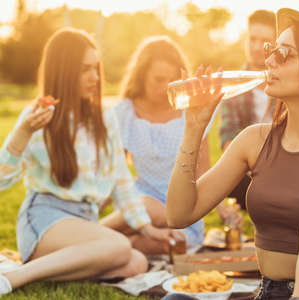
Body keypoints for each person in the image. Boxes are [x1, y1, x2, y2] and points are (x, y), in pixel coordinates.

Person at [164, 8, 299, 300]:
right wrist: (194, 129)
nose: (269, 60)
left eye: (284, 53)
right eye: (271, 50)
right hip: (269, 292)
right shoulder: (253, 140)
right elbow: (178, 213)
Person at [0, 28, 171, 296]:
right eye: (84, 69)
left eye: (96, 68)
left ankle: (54, 267)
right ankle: (14, 276)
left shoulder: (104, 119)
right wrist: (22, 134)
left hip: (85, 221)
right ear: (63, 72)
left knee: (136, 263)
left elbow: (120, 178)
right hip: (45, 219)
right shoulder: (39, 117)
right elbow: (2, 181)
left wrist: (145, 227)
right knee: (120, 247)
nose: (95, 77)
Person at [100, 36, 235, 253]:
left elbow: (203, 171)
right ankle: (90, 236)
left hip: (181, 213)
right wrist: (94, 207)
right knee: (143, 209)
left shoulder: (191, 112)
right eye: (158, 79)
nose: (165, 87)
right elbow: (116, 173)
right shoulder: (124, 114)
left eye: (171, 81)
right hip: (137, 207)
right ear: (141, 76)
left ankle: (93, 239)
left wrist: (223, 210)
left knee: (167, 244)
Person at [218, 10, 276, 211]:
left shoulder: (288, 81)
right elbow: (227, 136)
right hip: (247, 167)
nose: (256, 47)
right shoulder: (233, 86)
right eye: (252, 39)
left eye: (265, 41)